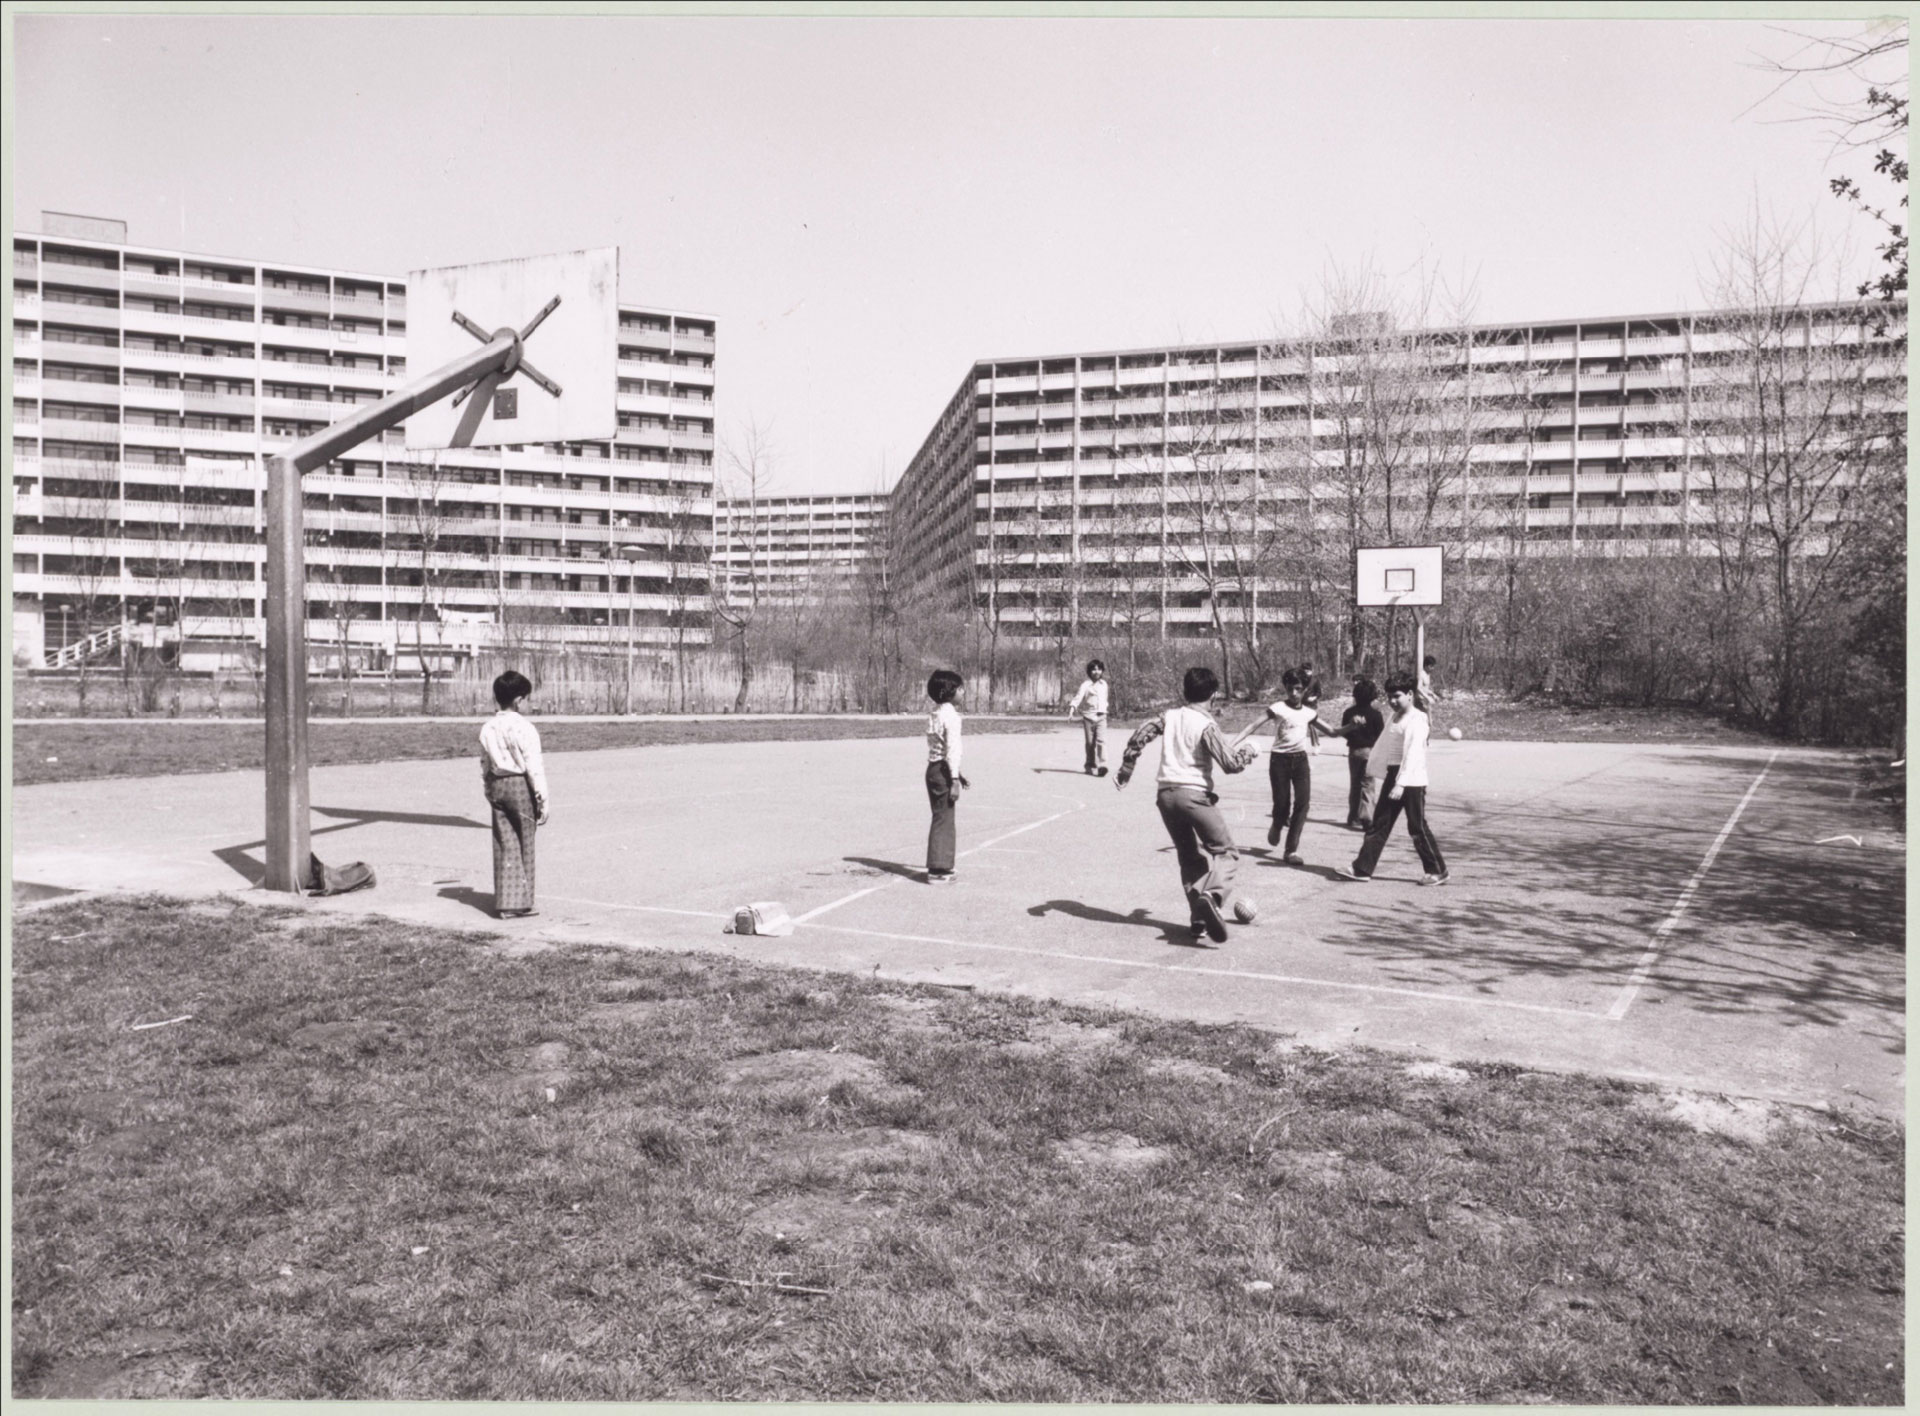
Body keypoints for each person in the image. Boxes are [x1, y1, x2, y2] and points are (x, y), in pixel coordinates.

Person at [1116, 666, 1258, 942]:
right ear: (1214, 696)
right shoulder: (1206, 725)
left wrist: (1126, 768)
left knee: (1190, 857)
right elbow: (1230, 764)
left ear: (1185, 691)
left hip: (1166, 796)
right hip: (1193, 795)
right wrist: (1249, 752)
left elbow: (1140, 734)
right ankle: (1212, 895)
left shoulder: (1169, 716)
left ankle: (1199, 920)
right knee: (1226, 852)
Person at [1337, 670, 1448, 885]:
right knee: (1379, 824)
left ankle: (1438, 870)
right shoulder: (1394, 717)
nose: (1392, 701)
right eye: (1389, 697)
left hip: (1411, 779)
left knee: (1417, 827)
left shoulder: (1418, 718)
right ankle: (1362, 868)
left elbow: (1414, 754)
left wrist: (1401, 783)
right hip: (1394, 774)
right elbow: (1383, 745)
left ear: (1409, 694)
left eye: (1397, 696)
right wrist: (1375, 767)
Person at [1231, 668, 1338, 865]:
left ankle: (1291, 850)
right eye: (1290, 689)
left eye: (1298, 689)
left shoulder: (1308, 712)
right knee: (1282, 804)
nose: (1294, 694)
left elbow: (1331, 731)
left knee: (1303, 803)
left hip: (1300, 761)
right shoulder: (1278, 707)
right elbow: (1252, 726)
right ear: (1286, 689)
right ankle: (1278, 822)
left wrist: (1354, 727)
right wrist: (1231, 745)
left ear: (1305, 689)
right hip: (1279, 760)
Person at [479, 669, 550, 918]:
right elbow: (534, 767)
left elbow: (485, 763)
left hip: (497, 783)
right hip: (520, 785)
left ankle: (506, 902)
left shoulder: (488, 728)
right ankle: (522, 902)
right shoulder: (525, 728)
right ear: (519, 699)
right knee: (525, 842)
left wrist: (488, 788)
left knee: (504, 842)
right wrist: (543, 800)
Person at [925, 668, 969, 883]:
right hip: (942, 771)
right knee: (944, 818)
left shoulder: (936, 713)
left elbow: (940, 748)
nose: (963, 692)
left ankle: (939, 863)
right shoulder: (951, 716)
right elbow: (952, 749)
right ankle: (939, 869)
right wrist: (953, 779)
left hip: (934, 769)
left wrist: (957, 773)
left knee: (940, 815)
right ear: (949, 692)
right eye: (960, 689)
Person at [1332, 677, 1385, 830]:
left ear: (1355, 695)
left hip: (1354, 751)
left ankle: (1353, 817)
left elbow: (1344, 732)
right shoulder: (1376, 714)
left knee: (1355, 784)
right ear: (1373, 697)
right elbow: (1380, 735)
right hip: (1369, 752)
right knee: (1368, 784)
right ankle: (1367, 817)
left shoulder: (1349, 712)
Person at [1066, 658, 1111, 776]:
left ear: (1102, 671)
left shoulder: (1104, 684)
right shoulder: (1086, 685)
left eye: (1099, 669)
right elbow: (1078, 697)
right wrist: (1072, 709)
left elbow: (1104, 699)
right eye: (1094, 669)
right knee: (1090, 743)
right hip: (1088, 717)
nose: (1096, 672)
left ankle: (1103, 765)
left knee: (1102, 741)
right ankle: (1090, 765)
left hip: (1101, 716)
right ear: (1089, 671)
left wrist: (1105, 709)